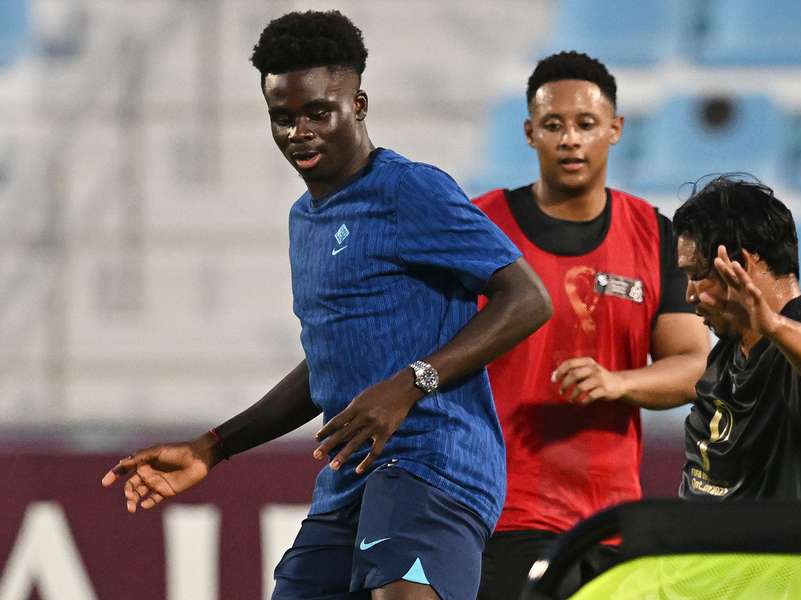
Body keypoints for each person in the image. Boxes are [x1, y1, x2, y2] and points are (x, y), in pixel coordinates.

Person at [100, 10, 552, 600]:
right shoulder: (304, 221)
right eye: (282, 118)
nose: (299, 132)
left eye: (318, 113)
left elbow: (528, 298)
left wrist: (410, 383)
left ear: (358, 105)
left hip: (433, 463)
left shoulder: (409, 189)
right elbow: (330, 359)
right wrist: (214, 447)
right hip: (350, 478)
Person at [473, 52, 709, 599]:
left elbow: (696, 367)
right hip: (503, 514)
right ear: (529, 133)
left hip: (612, 522)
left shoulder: (655, 234)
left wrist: (619, 381)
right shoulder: (480, 227)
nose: (570, 140)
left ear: (616, 129)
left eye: (585, 124)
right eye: (553, 125)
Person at [673, 174, 801, 501]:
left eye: (698, 275)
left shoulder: (799, 340)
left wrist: (773, 325)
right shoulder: (723, 360)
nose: (689, 294)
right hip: (722, 550)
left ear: (741, 264)